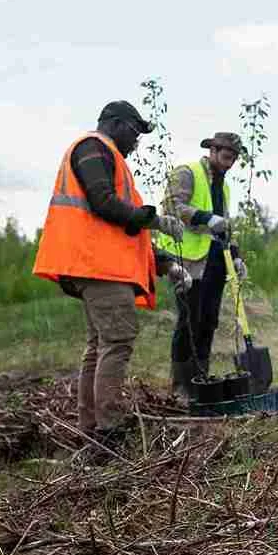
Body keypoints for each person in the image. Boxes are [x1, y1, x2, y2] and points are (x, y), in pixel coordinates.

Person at [33, 100, 189, 445]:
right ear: (116, 124)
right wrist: (156, 219)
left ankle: (91, 429)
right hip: (97, 268)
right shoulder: (93, 148)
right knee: (116, 342)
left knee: (99, 345)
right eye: (135, 132)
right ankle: (109, 432)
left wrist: (166, 264)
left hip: (95, 264)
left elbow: (121, 231)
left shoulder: (109, 159)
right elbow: (104, 203)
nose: (136, 141)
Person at [155, 132, 249, 397]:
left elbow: (224, 226)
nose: (229, 164)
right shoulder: (187, 172)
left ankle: (200, 380)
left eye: (233, 159)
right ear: (213, 151)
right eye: (226, 157)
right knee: (189, 321)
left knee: (208, 322)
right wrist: (206, 217)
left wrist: (236, 254)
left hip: (217, 260)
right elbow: (172, 206)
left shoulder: (224, 186)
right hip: (188, 260)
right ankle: (182, 388)